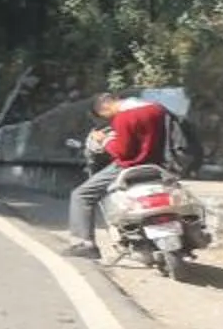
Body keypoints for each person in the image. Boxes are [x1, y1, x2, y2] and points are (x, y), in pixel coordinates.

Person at [69, 90, 170, 257]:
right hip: (159, 163)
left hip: (130, 165)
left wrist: (104, 140)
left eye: (102, 115)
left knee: (81, 195)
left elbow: (122, 152)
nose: (107, 119)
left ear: (103, 106)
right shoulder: (158, 109)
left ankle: (85, 244)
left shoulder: (124, 118)